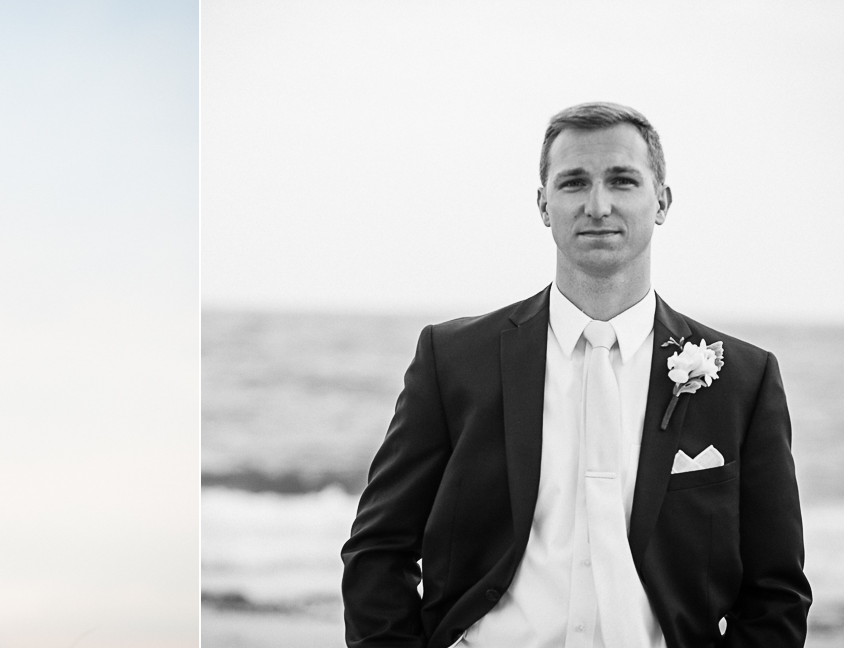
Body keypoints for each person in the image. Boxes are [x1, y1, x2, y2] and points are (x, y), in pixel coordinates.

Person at [341, 102, 811, 648]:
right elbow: (378, 549)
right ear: (544, 205)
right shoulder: (451, 359)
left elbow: (776, 591)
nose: (598, 204)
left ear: (662, 202)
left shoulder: (743, 381)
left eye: (622, 180)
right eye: (573, 183)